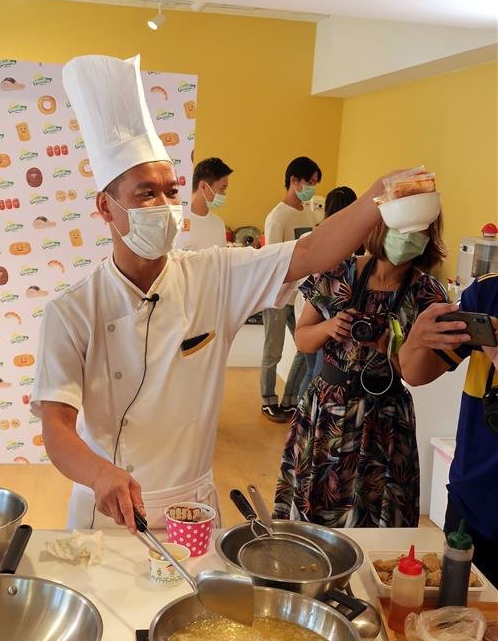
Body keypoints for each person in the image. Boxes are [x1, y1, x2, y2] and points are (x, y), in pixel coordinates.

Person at [31, 52, 395, 534]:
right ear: (106, 206)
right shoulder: (72, 310)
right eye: (146, 193)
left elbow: (309, 253)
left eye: (170, 190)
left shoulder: (214, 275)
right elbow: (56, 426)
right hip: (109, 508)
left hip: (191, 505)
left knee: (193, 608)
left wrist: (380, 196)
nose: (164, 205)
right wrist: (99, 473)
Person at [274, 214, 448, 527]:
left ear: (430, 236)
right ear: (384, 224)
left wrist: (389, 348)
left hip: (386, 419)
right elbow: (303, 340)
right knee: (315, 510)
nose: (408, 236)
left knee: (376, 514)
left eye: (420, 230)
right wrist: (329, 327)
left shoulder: (428, 295)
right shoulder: (339, 271)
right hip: (327, 411)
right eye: (402, 226)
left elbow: (414, 375)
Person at [398, 275, 498, 586]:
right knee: (458, 620)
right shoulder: (487, 293)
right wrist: (417, 338)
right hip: (472, 499)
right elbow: (415, 373)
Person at [260, 156, 321, 422]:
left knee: (304, 347)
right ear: (294, 181)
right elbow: (271, 260)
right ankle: (268, 400)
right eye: (310, 182)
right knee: (273, 350)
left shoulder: (307, 213)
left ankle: (290, 399)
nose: (312, 188)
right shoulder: (277, 216)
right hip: (278, 296)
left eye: (316, 183)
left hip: (302, 297)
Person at [297, 186, 358, 399]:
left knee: (310, 365)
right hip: (320, 311)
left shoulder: (316, 234)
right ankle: (303, 411)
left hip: (314, 308)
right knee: (317, 371)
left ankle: (299, 409)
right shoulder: (343, 240)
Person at [185, 157, 232, 250]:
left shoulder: (219, 223)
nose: (224, 194)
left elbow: (221, 260)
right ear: (203, 186)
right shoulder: (178, 221)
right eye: (222, 188)